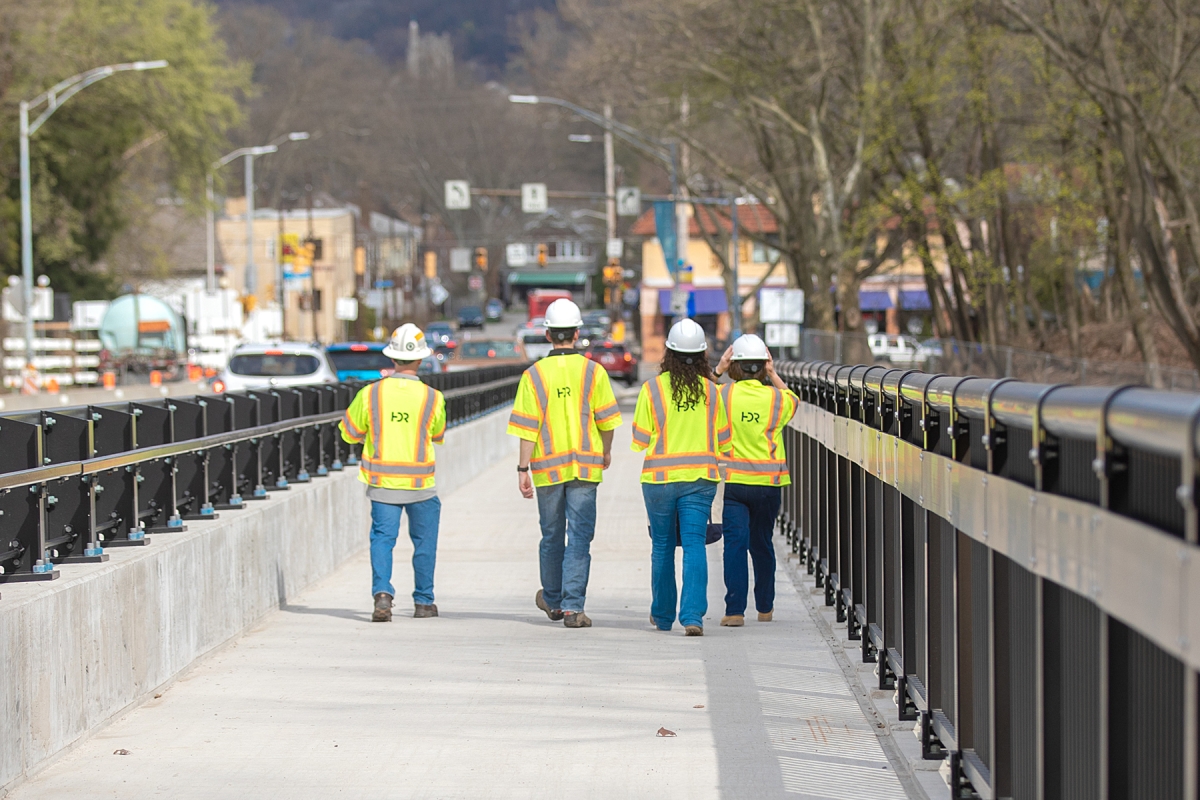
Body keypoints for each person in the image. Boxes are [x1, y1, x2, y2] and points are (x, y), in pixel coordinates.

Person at [508, 298, 622, 629]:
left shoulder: (533, 375)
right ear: (576, 333)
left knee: (552, 535)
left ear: (548, 335)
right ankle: (573, 608)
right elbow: (607, 421)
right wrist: (606, 451)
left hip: (547, 470)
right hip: (586, 468)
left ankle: (555, 601)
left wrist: (522, 468)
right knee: (580, 539)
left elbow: (527, 427)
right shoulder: (594, 372)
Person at [340, 323, 446, 622]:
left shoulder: (370, 394)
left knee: (382, 540)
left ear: (392, 357)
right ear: (421, 358)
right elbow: (437, 434)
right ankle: (424, 603)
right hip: (421, 484)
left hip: (382, 483)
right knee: (424, 543)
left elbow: (349, 432)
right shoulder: (432, 397)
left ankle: (382, 597)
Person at [631, 318, 731, 636]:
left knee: (661, 546)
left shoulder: (652, 390)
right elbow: (725, 441)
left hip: (659, 480)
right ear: (703, 355)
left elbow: (640, 440)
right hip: (701, 479)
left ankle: (662, 616)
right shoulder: (712, 393)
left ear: (668, 353)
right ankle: (692, 617)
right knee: (694, 545)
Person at [712, 333, 799, 627]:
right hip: (769, 485)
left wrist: (719, 369)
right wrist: (773, 374)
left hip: (737, 484)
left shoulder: (724, 395)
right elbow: (794, 400)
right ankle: (765, 607)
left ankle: (735, 611)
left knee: (734, 546)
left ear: (735, 365)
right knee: (762, 544)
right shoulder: (776, 399)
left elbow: (704, 394)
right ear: (763, 365)